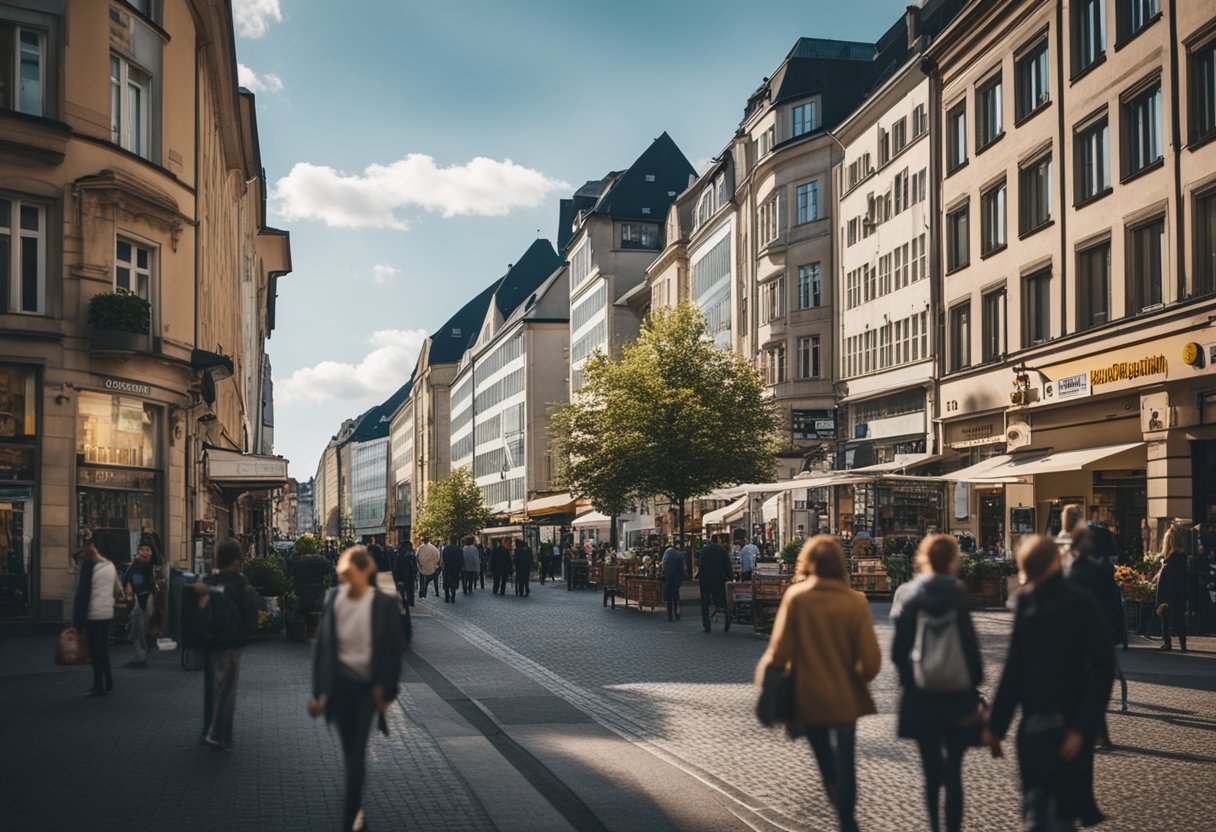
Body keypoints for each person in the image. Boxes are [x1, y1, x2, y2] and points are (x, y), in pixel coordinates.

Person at [984, 536, 1114, 831]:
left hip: (1034, 726)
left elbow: (1013, 673)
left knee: (1040, 809)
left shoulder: (1028, 604)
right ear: (1057, 560)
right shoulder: (1081, 601)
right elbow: (1103, 670)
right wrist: (1082, 728)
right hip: (1068, 724)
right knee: (1056, 815)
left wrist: (996, 727)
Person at [755, 536, 882, 832]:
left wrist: (767, 683)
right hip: (846, 698)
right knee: (846, 760)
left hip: (808, 697)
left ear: (807, 562)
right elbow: (872, 660)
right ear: (840, 564)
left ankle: (840, 808)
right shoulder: (855, 601)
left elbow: (780, 651)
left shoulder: (797, 598)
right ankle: (848, 819)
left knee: (826, 760)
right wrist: (855, 679)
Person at [309, 545, 405, 832]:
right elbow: (323, 647)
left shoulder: (384, 604)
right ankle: (354, 801)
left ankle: (351, 816)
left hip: (367, 689)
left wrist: (386, 692)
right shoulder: (335, 598)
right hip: (339, 688)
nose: (346, 579)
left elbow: (394, 650)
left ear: (366, 572)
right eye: (343, 573)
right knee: (351, 748)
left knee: (357, 752)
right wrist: (319, 693)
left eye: (350, 573)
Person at [891, 535, 983, 832]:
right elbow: (972, 653)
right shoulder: (959, 600)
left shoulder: (913, 599)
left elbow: (897, 652)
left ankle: (934, 827)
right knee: (954, 771)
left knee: (931, 775)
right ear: (953, 561)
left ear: (923, 559)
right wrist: (973, 687)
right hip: (957, 698)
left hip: (921, 697)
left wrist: (911, 679)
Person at [192, 538, 260, 751]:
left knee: (212, 689)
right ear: (236, 560)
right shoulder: (240, 583)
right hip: (233, 643)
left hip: (212, 642)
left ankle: (208, 731)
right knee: (228, 691)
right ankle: (222, 736)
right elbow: (250, 615)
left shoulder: (209, 581)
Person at [1068, 523, 1129, 730]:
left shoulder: (1083, 572)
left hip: (1090, 638)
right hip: (1103, 635)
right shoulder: (1103, 570)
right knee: (1097, 682)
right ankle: (1096, 728)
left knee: (1088, 682)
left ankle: (1091, 728)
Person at [72, 543, 118, 696]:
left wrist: (77, 621)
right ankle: (109, 682)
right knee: (103, 648)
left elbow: (82, 593)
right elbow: (116, 588)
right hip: (107, 613)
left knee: (95, 649)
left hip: (93, 613)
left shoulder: (88, 566)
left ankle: (98, 683)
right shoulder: (109, 565)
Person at [122, 543, 156, 667]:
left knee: (141, 629)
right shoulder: (134, 566)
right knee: (137, 629)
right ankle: (140, 655)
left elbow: (152, 587)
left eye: (147, 550)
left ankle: (141, 656)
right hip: (136, 600)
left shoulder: (150, 566)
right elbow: (128, 581)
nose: (144, 553)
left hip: (144, 600)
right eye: (142, 550)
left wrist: (150, 601)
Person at [1154, 526, 1188, 652]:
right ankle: (1183, 643)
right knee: (1180, 617)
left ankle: (1167, 642)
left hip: (1169, 592)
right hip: (1180, 592)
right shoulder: (1183, 557)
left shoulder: (1169, 560)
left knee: (1166, 617)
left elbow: (1164, 581)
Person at [698, 534, 733, 633]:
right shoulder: (722, 550)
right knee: (724, 600)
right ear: (718, 540)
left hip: (706, 579)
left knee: (705, 602)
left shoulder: (704, 550)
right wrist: (730, 577)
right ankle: (727, 622)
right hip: (719, 579)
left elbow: (700, 565)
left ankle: (706, 624)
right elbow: (727, 565)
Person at [661, 543, 685, 621]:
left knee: (669, 598)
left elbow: (663, 565)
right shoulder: (680, 555)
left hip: (669, 578)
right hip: (676, 578)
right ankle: (677, 614)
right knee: (676, 597)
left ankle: (670, 616)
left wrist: (664, 573)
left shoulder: (667, 553)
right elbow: (682, 568)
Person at [391, 541, 417, 607]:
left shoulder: (399, 554)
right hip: (410, 576)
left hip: (402, 575)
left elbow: (396, 567)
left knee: (401, 590)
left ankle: (401, 603)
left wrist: (398, 578)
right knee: (410, 591)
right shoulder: (412, 553)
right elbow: (414, 566)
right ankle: (410, 603)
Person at [441, 537, 464, 603]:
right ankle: (453, 596)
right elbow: (461, 561)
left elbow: (443, 560)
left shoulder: (446, 549)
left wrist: (442, 567)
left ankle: (446, 597)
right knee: (453, 583)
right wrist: (460, 569)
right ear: (456, 541)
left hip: (447, 569)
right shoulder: (459, 549)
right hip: (455, 569)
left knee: (446, 583)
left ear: (450, 541)